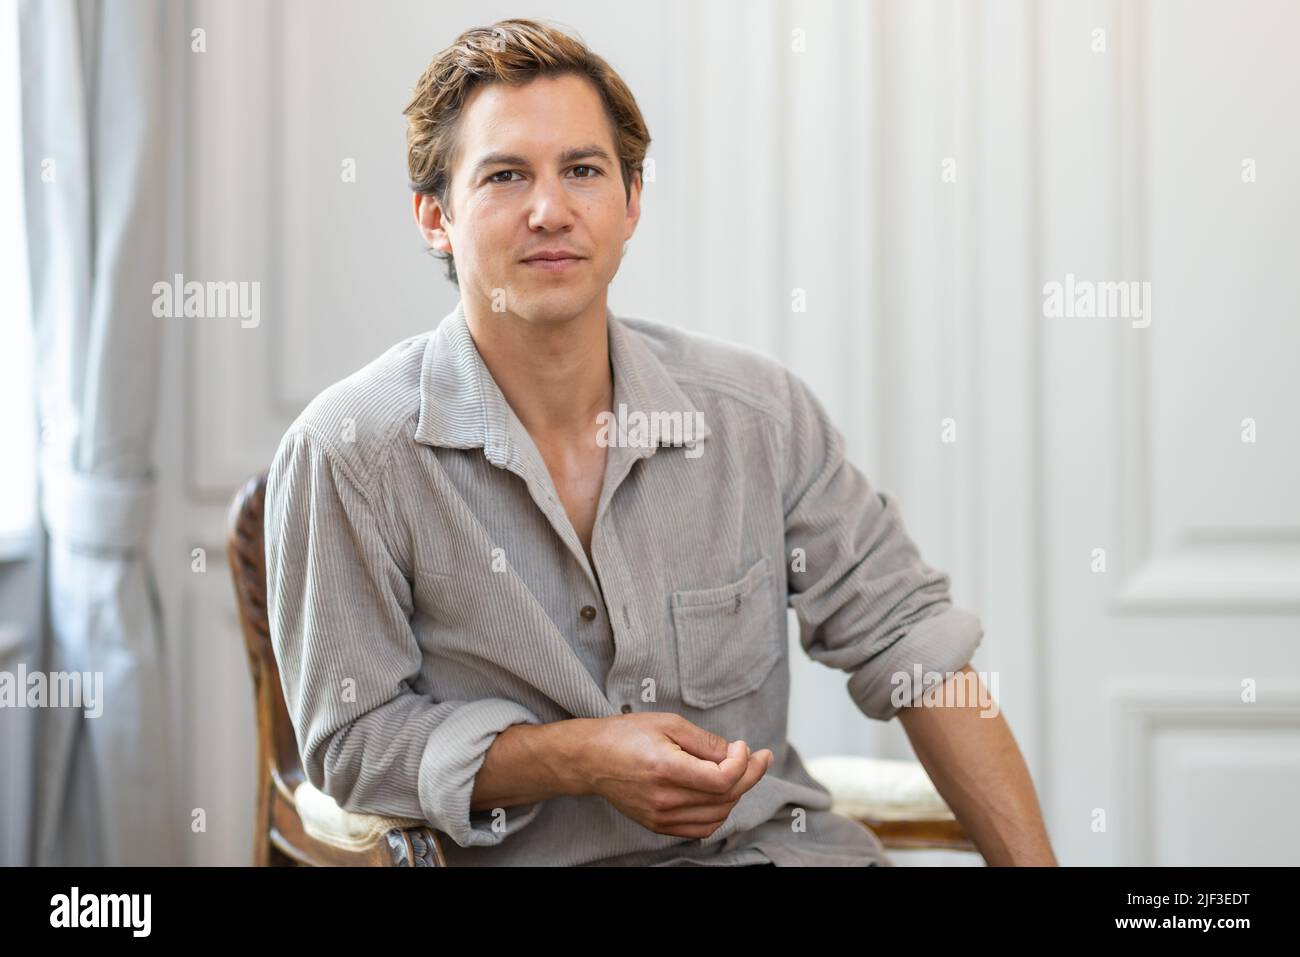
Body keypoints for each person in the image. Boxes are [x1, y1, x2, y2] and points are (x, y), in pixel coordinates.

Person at [263, 18, 1057, 867]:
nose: (550, 210)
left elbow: (914, 647)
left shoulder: (759, 415)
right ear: (434, 215)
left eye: (583, 170)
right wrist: (580, 759)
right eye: (504, 175)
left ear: (630, 200)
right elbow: (352, 745)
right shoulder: (349, 453)